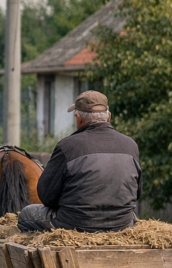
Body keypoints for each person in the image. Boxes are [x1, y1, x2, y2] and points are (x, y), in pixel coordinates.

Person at [17, 90, 141, 233]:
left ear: (78, 118)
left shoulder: (67, 147)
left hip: (74, 224)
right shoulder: (131, 145)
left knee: (26, 214)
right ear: (109, 117)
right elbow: (137, 193)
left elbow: (46, 196)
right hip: (122, 224)